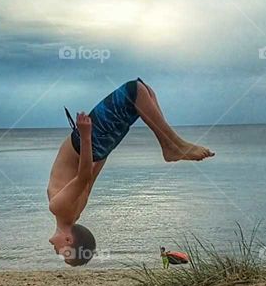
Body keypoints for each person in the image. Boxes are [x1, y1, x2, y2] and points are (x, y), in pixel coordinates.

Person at [47, 78, 214, 266]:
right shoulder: (60, 209)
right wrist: (86, 136)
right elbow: (85, 177)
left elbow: (88, 179)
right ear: (69, 241)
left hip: (98, 148)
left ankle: (170, 145)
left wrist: (104, 151)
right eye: (64, 254)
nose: (58, 253)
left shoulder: (72, 213)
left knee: (144, 93)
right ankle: (172, 145)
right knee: (135, 91)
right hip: (89, 143)